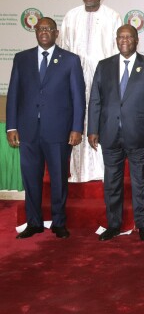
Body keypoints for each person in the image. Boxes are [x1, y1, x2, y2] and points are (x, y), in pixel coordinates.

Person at [6, 17, 86, 239]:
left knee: (59, 178)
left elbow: (78, 97)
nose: (44, 32)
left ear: (56, 32)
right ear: (35, 31)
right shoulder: (21, 59)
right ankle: (34, 222)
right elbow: (13, 94)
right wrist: (11, 126)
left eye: (48, 29)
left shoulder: (70, 60)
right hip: (28, 131)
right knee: (30, 178)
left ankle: (59, 222)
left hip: (58, 131)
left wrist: (77, 127)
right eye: (40, 29)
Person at [87, 25, 144, 242]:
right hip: (110, 134)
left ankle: (143, 225)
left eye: (128, 37)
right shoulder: (104, 66)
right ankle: (113, 225)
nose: (124, 41)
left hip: (139, 135)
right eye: (120, 37)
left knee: (141, 182)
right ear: (116, 40)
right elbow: (95, 99)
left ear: (136, 40)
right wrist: (92, 129)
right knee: (112, 182)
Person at [59, 0, 123, 183]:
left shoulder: (112, 16)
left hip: (103, 77)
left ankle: (102, 170)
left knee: (100, 118)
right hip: (76, 76)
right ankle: (79, 171)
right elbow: (64, 48)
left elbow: (118, 51)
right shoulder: (71, 16)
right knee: (79, 118)